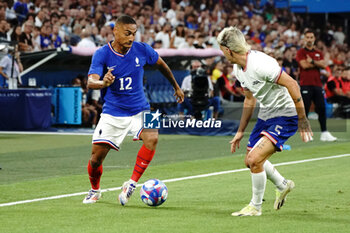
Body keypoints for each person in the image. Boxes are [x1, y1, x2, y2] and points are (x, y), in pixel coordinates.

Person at [83, 15, 184, 205]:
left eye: (134, 34)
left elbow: (162, 64)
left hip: (142, 107)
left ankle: (131, 184)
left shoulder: (142, 49)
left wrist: (176, 86)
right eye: (127, 33)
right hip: (113, 112)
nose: (131, 38)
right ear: (115, 31)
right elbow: (90, 82)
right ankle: (95, 190)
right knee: (96, 159)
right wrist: (102, 82)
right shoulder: (102, 53)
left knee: (153, 138)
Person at [217, 26, 313, 216]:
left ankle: (255, 206)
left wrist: (302, 119)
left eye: (221, 48)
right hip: (267, 114)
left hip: (286, 115)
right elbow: (249, 99)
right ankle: (283, 184)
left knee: (255, 159)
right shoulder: (238, 68)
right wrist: (240, 131)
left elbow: (292, 84)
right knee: (250, 161)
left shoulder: (260, 64)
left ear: (227, 50)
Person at [296, 30, 337, 142]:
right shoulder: (301, 52)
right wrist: (317, 63)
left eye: (311, 37)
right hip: (305, 84)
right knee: (305, 110)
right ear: (304, 39)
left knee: (321, 108)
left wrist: (313, 61)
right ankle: (305, 134)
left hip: (317, 84)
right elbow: (304, 65)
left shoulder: (318, 52)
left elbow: (324, 65)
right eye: (307, 37)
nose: (309, 39)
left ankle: (324, 133)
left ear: (314, 39)